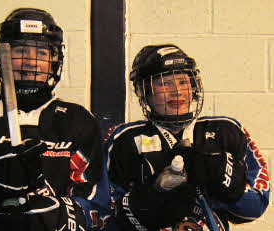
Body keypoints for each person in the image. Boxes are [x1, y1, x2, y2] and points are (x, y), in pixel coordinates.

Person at [0, 8, 112, 231]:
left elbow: (95, 202)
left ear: (55, 61)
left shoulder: (78, 120)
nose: (30, 62)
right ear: (2, 56)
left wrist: (61, 215)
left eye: (41, 53)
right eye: (21, 51)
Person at [104, 44, 270, 231]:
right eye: (164, 83)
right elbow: (106, 215)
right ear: (144, 92)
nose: (177, 91)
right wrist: (152, 196)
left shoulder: (227, 131)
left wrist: (221, 178)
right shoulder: (123, 139)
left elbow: (255, 207)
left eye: (183, 82)